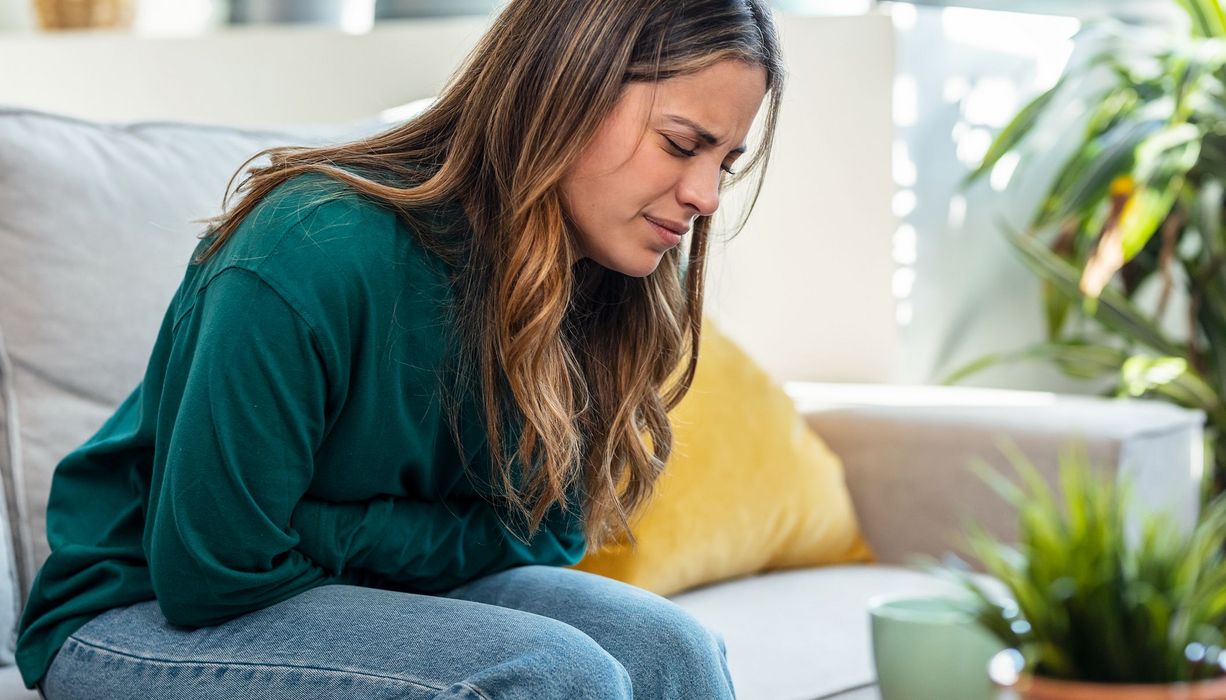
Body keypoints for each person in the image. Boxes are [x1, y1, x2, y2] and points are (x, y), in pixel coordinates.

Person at [15, 0, 783, 697]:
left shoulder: (609, 275)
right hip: (134, 614)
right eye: (682, 144)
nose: (705, 196)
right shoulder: (311, 247)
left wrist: (323, 525)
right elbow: (214, 571)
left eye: (725, 163)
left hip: (354, 583)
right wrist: (403, 540)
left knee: (674, 651)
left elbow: (551, 533)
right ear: (564, 91)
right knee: (555, 677)